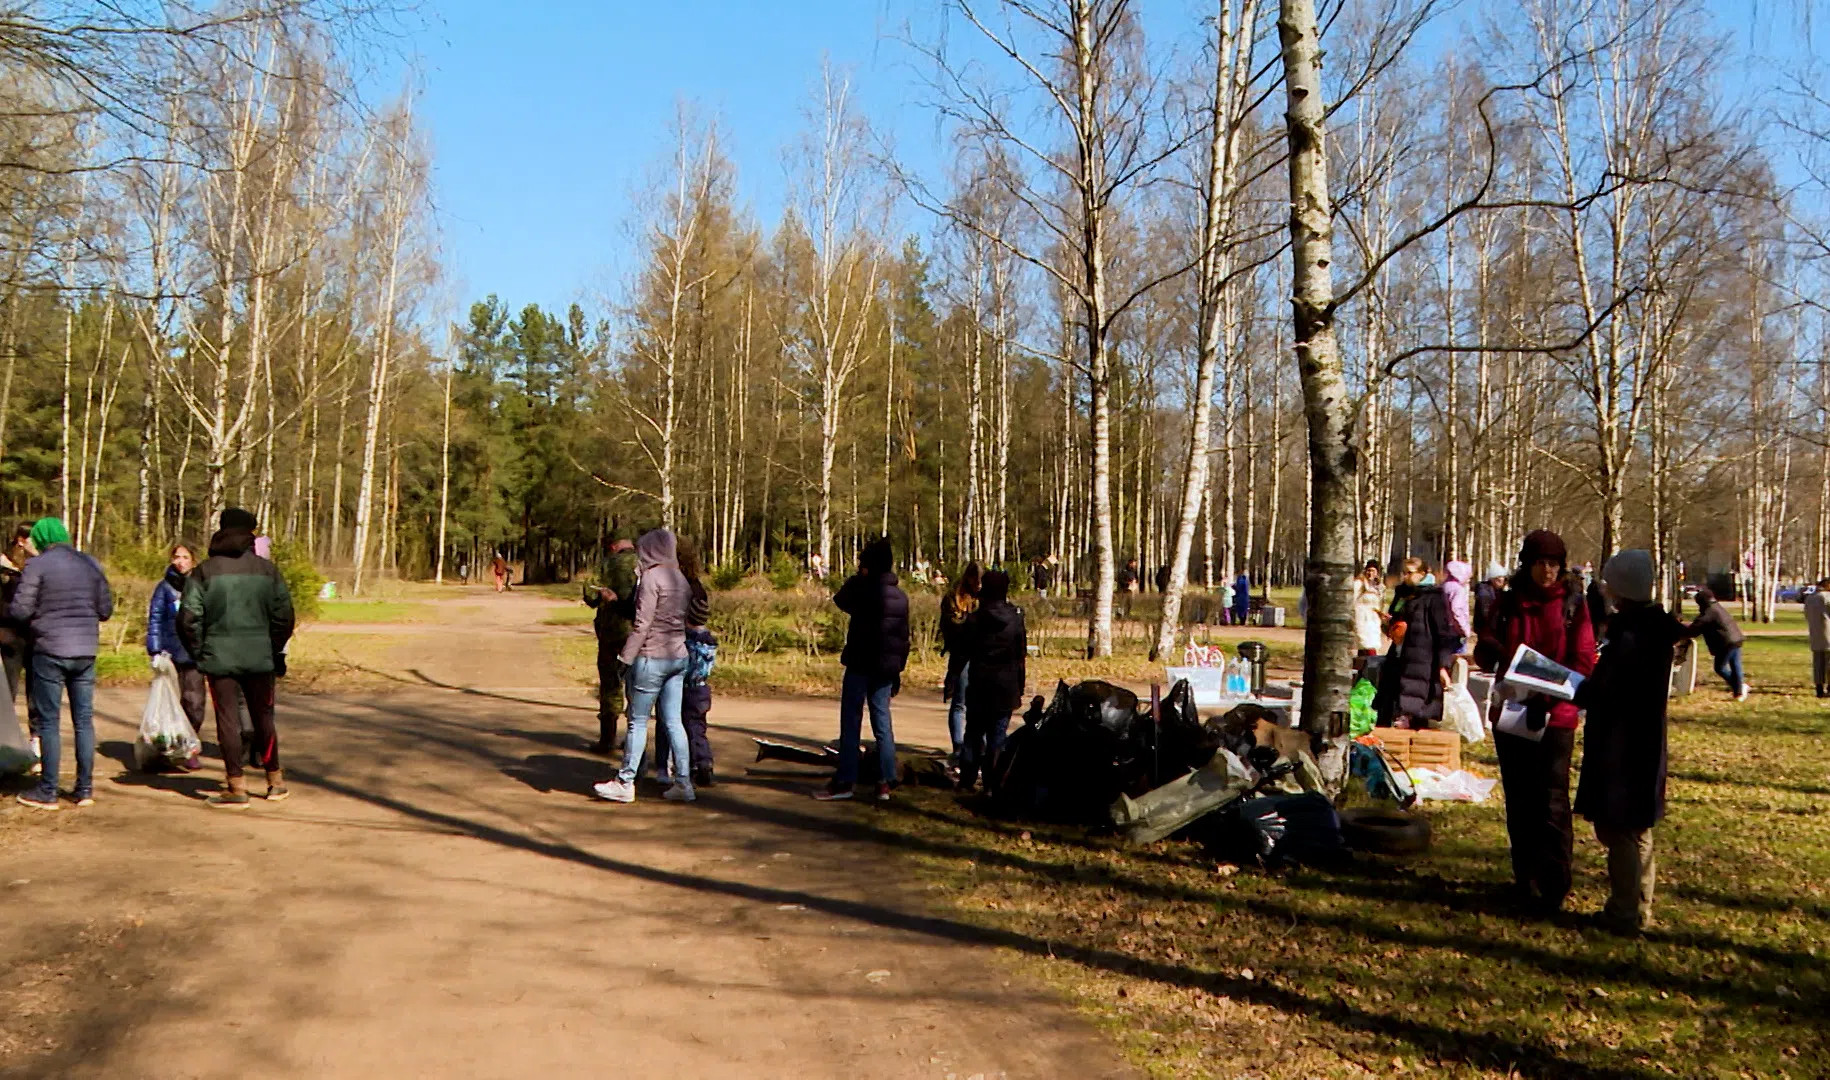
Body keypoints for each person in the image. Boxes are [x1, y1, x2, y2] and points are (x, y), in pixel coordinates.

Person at [1572, 550, 1685, 934]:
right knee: (1638, 828)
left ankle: (1625, 911)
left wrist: (1578, 690)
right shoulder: (1651, 628)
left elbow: (1612, 691)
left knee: (1620, 827)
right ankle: (1640, 909)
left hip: (1623, 742)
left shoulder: (1633, 635)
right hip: (1642, 738)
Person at [1489, 529, 1596, 915]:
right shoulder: (1508, 601)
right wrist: (1490, 649)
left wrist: (1546, 694)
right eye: (1540, 563)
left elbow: (1583, 661)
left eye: (1553, 563)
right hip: (1513, 713)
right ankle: (1525, 877)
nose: (1547, 571)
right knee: (1519, 799)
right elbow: (1492, 650)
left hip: (1556, 716)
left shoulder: (1573, 605)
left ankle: (1554, 884)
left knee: (1551, 801)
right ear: (1527, 564)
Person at [179, 508, 296, 808]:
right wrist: (274, 647)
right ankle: (275, 781)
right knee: (264, 717)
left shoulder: (204, 571)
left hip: (219, 658)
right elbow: (284, 616)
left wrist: (199, 652)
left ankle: (236, 786)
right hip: (261, 656)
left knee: (227, 721)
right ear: (250, 533)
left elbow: (188, 618)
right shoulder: (267, 570)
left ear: (222, 530)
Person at [9, 518, 112, 810]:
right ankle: (84, 789)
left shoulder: (37, 566)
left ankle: (48, 790)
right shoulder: (90, 563)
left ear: (40, 539)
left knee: (49, 722)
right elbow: (105, 609)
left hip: (50, 650)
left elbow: (20, 610)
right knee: (83, 720)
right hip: (85, 652)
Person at [593, 528, 694, 805]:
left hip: (652, 657)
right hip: (678, 656)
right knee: (674, 721)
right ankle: (683, 782)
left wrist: (625, 658)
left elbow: (642, 624)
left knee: (637, 721)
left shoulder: (651, 578)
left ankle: (625, 781)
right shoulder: (680, 578)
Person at [814, 537, 909, 802]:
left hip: (860, 664)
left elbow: (840, 599)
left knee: (851, 723)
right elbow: (903, 638)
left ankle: (845, 781)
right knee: (882, 724)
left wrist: (858, 577)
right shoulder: (900, 598)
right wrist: (897, 670)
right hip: (885, 669)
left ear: (867, 565)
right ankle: (885, 782)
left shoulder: (862, 590)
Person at [957, 570, 1026, 792]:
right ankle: (992, 783)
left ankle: (967, 779)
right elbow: (1020, 655)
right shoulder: (1015, 619)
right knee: (998, 736)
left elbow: (962, 652)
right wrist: (1020, 686)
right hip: (1006, 686)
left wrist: (952, 677)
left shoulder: (975, 619)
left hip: (980, 683)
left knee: (974, 733)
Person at [656, 538, 716, 788]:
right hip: (699, 684)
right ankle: (701, 763)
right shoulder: (698, 589)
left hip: (672, 660)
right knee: (694, 723)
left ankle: (666, 766)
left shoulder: (673, 588)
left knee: (668, 717)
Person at [146, 543, 207, 771]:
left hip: (194, 654)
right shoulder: (164, 588)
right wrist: (154, 649)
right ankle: (167, 749)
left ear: (193, 560)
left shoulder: (202, 585)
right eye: (176, 557)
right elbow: (155, 618)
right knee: (169, 705)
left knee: (194, 704)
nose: (180, 561)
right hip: (169, 653)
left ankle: (189, 747)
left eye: (185, 557)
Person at [1375, 566, 1455, 729]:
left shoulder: (1434, 597)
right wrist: (1389, 624)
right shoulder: (1402, 594)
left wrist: (1442, 666)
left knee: (1415, 706)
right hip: (1398, 653)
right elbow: (1396, 617)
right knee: (1391, 701)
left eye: (1410, 572)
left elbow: (1443, 634)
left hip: (1421, 658)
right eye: (1404, 572)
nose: (1406, 576)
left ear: (1423, 573)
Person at [583, 535, 638, 756]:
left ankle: (607, 739)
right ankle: (635, 738)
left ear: (614, 546)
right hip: (637, 635)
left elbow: (590, 595)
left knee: (610, 685)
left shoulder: (606, 564)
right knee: (636, 687)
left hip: (610, 634)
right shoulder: (645, 563)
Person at [938, 562, 981, 766]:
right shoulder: (953, 599)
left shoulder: (984, 599)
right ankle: (958, 747)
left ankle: (976, 748)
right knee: (960, 703)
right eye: (977, 581)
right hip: (962, 657)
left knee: (976, 705)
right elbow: (950, 628)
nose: (979, 586)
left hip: (980, 657)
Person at [1686, 589, 1747, 700]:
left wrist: (1683, 630)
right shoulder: (1717, 607)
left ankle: (1739, 689)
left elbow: (1694, 629)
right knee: (1735, 666)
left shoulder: (1709, 612)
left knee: (1720, 668)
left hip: (1727, 642)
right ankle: (1739, 690)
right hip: (1736, 638)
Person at [1471, 562, 1509, 672]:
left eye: (1503, 579)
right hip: (1487, 630)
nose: (1502, 581)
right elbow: (1486, 614)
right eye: (1498, 579)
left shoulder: (1497, 592)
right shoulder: (1485, 594)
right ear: (1492, 579)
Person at [1441, 559, 1474, 654]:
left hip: (1443, 628)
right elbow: (1456, 610)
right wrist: (1464, 629)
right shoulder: (1458, 589)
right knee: (1457, 660)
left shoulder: (1443, 586)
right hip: (1456, 631)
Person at [1353, 560, 1386, 654]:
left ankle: (1367, 666)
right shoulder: (1359, 584)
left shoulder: (1379, 587)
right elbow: (1352, 601)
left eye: (1373, 571)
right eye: (1369, 570)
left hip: (1374, 620)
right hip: (1362, 619)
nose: (1370, 573)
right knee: (1365, 644)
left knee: (1373, 645)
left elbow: (1380, 604)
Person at [1806, 579, 1830, 698]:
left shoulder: (1810, 598)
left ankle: (1819, 688)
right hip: (1828, 634)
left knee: (1818, 663)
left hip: (1815, 634)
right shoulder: (1826, 597)